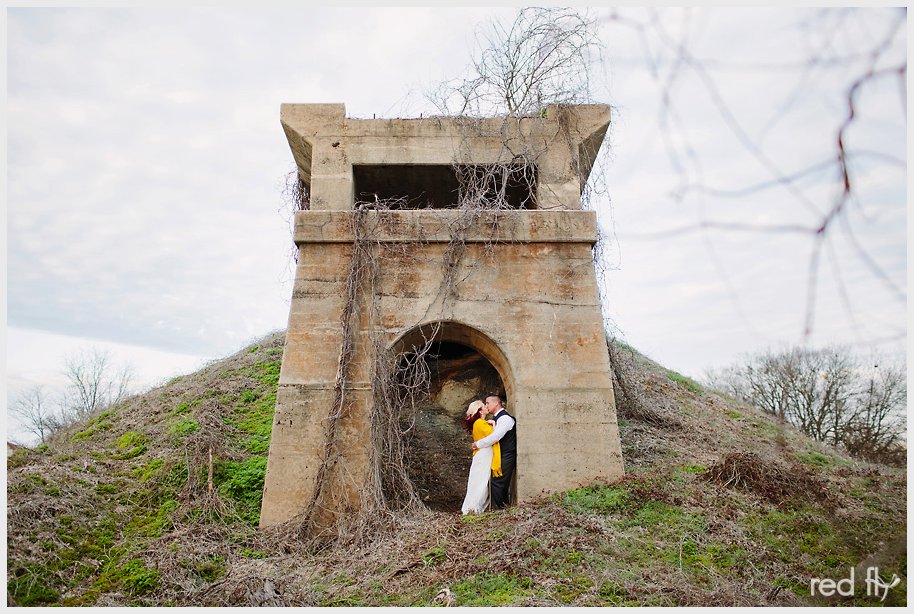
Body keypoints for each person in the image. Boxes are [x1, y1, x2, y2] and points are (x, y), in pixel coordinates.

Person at [472, 394, 516, 509]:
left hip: (506, 455)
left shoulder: (505, 418)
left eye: (487, 403)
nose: (486, 405)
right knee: (499, 482)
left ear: (496, 403)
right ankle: (502, 509)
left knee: (497, 482)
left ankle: (498, 511)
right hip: (500, 455)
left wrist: (478, 444)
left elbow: (495, 437)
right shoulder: (497, 419)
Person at [460, 400, 502, 515]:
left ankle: (474, 507)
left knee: (480, 480)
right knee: (480, 481)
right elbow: (495, 435)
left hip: (483, 453)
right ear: (480, 410)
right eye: (484, 406)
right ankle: (473, 508)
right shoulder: (480, 423)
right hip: (484, 454)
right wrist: (493, 424)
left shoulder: (480, 423)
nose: (486, 407)